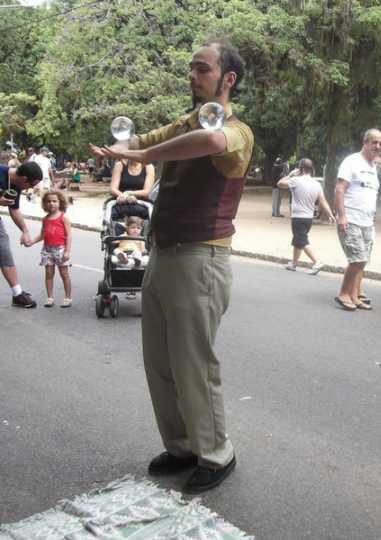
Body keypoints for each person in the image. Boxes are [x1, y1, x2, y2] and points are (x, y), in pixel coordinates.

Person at [90, 39, 253, 492]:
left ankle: (217, 453)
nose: (193, 76)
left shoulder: (236, 131)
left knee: (194, 364)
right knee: (159, 361)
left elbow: (209, 140)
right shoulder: (186, 122)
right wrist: (124, 146)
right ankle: (181, 445)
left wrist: (142, 156)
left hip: (202, 257)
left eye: (202, 69)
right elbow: (151, 138)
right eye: (191, 68)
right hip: (163, 253)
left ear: (228, 78)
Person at [333, 128, 381, 311]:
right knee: (357, 259)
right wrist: (342, 216)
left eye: (380, 143)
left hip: (367, 222)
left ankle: (354, 296)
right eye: (374, 142)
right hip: (351, 218)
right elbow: (340, 189)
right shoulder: (352, 161)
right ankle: (343, 294)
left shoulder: (373, 166)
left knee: (363, 261)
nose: (377, 146)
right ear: (365, 142)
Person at [276, 157, 334, 273]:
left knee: (302, 241)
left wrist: (291, 175)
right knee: (299, 239)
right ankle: (294, 263)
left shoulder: (296, 180)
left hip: (298, 217)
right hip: (308, 218)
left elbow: (279, 184)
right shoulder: (316, 184)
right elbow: (322, 201)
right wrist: (330, 214)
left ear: (300, 168)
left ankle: (317, 261)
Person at [0, 161, 43, 307]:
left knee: (4, 250)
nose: (29, 189)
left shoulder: (16, 186)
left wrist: (25, 230)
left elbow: (14, 209)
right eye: (30, 185)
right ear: (24, 179)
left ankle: (17, 294)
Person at [29, 190, 72, 308]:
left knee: (64, 273)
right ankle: (50, 297)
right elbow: (42, 235)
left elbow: (69, 235)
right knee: (48, 273)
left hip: (61, 249)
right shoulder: (45, 219)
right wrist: (31, 242)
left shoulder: (63, 218)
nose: (51, 204)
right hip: (47, 249)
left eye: (54, 201)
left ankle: (67, 297)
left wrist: (67, 251)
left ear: (60, 202)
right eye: (48, 201)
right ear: (45, 204)